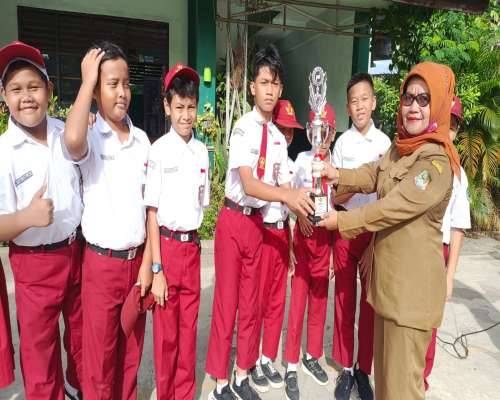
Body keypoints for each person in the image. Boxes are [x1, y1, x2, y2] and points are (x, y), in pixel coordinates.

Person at [319, 61, 460, 400]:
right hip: (388, 293)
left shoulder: (436, 162)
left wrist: (342, 222)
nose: (413, 107)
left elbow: (392, 207)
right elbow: (372, 173)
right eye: (408, 98)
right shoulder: (401, 148)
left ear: (439, 105)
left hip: (410, 302)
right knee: (385, 388)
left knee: (401, 391)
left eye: (424, 99)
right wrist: (336, 174)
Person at [205, 45, 314, 400]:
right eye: (263, 82)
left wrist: (307, 203)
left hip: (258, 226)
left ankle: (242, 374)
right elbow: (250, 184)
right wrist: (286, 196)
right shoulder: (243, 128)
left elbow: (285, 187)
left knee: (251, 305)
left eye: (275, 84)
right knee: (227, 304)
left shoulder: (279, 140)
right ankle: (219, 382)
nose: (269, 90)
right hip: (234, 220)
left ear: (281, 89)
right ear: (253, 87)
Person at [63, 41, 153, 400]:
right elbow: (71, 140)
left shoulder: (143, 141)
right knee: (99, 361)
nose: (122, 93)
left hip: (136, 265)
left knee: (130, 356)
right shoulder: (90, 136)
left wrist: (149, 264)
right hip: (101, 267)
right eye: (112, 84)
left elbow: (151, 208)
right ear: (96, 91)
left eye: (126, 83)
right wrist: (86, 81)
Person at [0, 40, 84, 400]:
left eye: (33, 87)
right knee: (40, 352)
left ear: (49, 90)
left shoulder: (67, 133)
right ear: (4, 96)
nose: (26, 97)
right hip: (34, 266)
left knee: (82, 340)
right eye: (16, 89)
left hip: (76, 254)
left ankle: (78, 389)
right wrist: (25, 217)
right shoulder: (4, 152)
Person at [144, 63, 209, 400]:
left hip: (192, 249)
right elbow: (152, 213)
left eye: (191, 107)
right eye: (179, 107)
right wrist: (157, 270)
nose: (186, 115)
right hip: (167, 250)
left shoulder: (201, 152)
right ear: (167, 106)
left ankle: (184, 394)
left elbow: (201, 203)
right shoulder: (158, 151)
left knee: (188, 332)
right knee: (166, 337)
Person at [331, 73, 390, 400]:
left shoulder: (385, 145)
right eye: (354, 101)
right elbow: (334, 193)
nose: (360, 106)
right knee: (343, 300)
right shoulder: (342, 144)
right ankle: (345, 367)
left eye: (365, 99)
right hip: (344, 227)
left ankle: (363, 369)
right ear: (348, 108)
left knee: (369, 305)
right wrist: (352, 185)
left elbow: (388, 197)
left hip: (372, 233)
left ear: (374, 102)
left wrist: (377, 239)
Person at [283, 103, 336, 400]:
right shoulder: (302, 160)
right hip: (303, 238)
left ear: (333, 132)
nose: (322, 137)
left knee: (319, 301)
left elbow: (339, 205)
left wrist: (333, 251)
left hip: (325, 239)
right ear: (309, 131)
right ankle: (291, 363)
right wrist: (299, 215)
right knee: (298, 302)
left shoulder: (336, 165)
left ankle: (312, 355)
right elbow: (288, 195)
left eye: (327, 131)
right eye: (318, 131)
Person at [250, 99, 303, 393]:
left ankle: (268, 357)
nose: (287, 136)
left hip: (282, 234)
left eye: (291, 131)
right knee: (258, 301)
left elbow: (288, 212)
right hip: (262, 235)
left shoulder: (291, 167)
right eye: (283, 129)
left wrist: (292, 246)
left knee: (276, 301)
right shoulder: (262, 163)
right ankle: (253, 358)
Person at [423, 95, 471, 390]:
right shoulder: (420, 160)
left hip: (437, 252)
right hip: (412, 249)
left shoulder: (458, 173)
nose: (448, 130)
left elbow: (457, 227)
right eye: (444, 122)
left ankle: (420, 381)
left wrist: (449, 275)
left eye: (453, 125)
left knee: (430, 321)